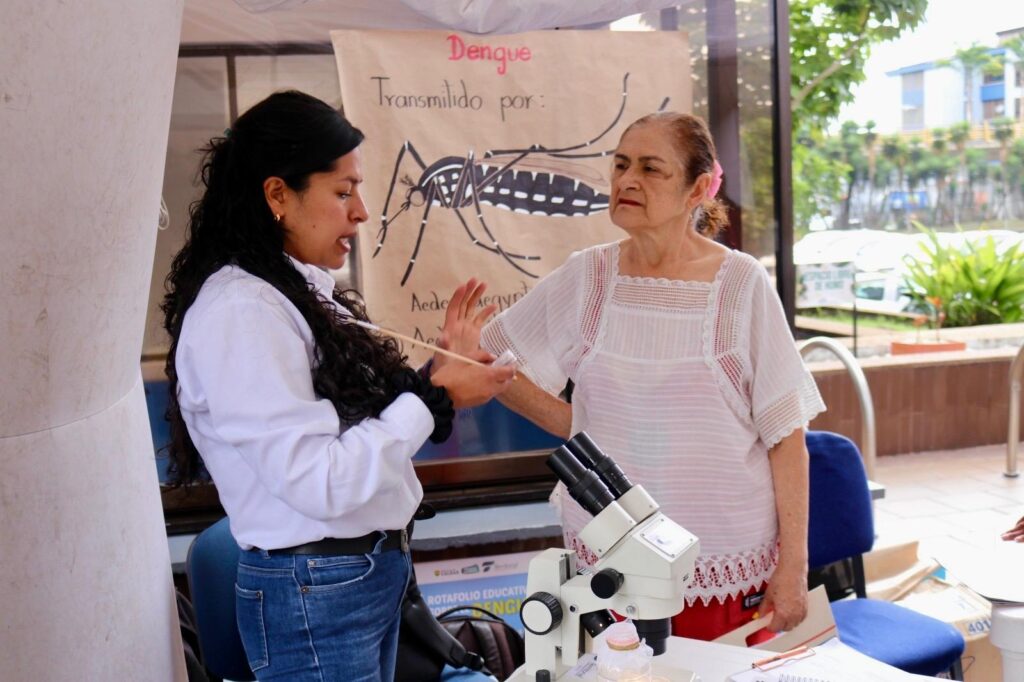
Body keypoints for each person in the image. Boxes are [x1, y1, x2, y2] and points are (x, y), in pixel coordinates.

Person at [161, 90, 515, 681]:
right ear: (277, 194)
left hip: (356, 579)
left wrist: (438, 374)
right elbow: (320, 481)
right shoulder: (242, 312)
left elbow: (359, 427)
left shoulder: (293, 290)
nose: (362, 212)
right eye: (343, 191)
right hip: (315, 593)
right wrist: (437, 396)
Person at [475, 112, 825, 641]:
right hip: (611, 563)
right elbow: (495, 359)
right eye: (620, 165)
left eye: (650, 168)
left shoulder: (741, 284)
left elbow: (786, 436)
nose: (627, 180)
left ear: (698, 189)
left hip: (725, 562)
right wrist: (581, 429)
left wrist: (793, 568)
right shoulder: (587, 275)